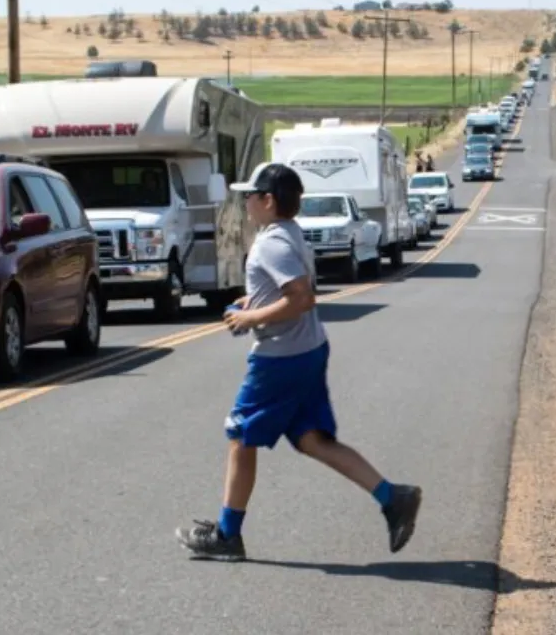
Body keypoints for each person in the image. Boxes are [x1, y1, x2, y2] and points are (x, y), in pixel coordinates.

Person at [175, 163, 423, 562]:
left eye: (249, 196)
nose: (245, 203)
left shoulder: (270, 243)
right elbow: (290, 289)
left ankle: (227, 534)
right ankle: (393, 497)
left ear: (268, 201)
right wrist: (252, 302)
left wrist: (250, 318)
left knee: (241, 436)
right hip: (307, 349)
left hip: (281, 358)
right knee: (312, 439)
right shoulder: (290, 234)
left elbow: (302, 297)